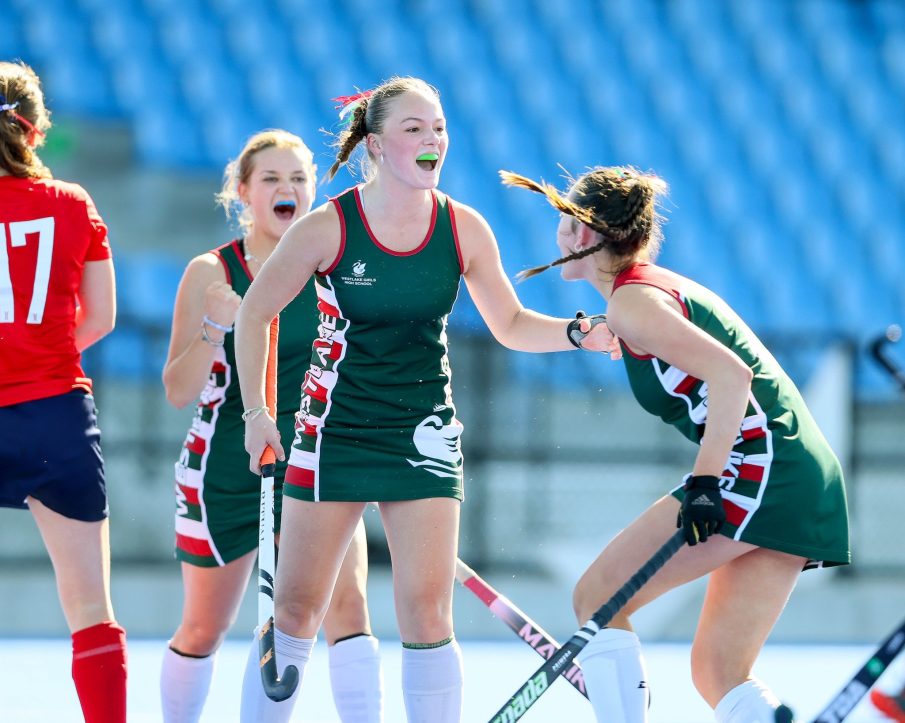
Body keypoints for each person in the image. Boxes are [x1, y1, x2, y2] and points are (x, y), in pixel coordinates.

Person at [233, 77, 614, 722]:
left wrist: (581, 333)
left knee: (429, 612)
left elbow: (513, 325)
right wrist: (256, 414)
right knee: (296, 611)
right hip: (334, 433)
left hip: (423, 431)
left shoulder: (464, 228)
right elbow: (253, 317)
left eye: (438, 127)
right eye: (414, 129)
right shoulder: (329, 227)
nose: (432, 139)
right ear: (377, 145)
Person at [500, 165, 851, 722]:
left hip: (762, 468)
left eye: (565, 222)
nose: (558, 236)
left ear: (585, 234)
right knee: (719, 673)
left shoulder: (634, 303)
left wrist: (707, 484)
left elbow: (731, 377)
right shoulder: (645, 295)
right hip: (795, 471)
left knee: (599, 598)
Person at [160, 129, 383, 722]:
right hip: (227, 468)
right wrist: (214, 328)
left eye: (299, 179)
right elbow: (178, 390)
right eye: (271, 180)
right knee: (206, 626)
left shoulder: (337, 267)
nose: (287, 189)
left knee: (348, 611)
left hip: (317, 463)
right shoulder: (212, 271)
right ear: (243, 193)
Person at [0, 61, 127, 722]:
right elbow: (101, 316)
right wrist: (38, 353)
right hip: (53, 409)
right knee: (89, 610)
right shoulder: (72, 204)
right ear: (36, 128)